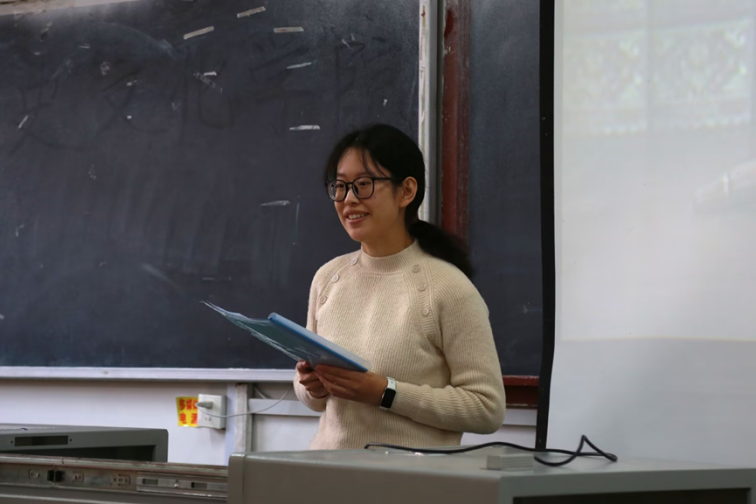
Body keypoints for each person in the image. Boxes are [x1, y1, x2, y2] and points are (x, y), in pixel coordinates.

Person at [293, 124, 506, 450]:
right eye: (340, 186)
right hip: (327, 471)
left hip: (409, 477)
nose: (348, 199)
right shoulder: (328, 278)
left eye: (363, 184)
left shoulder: (448, 288)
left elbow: (486, 408)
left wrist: (385, 393)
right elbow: (313, 400)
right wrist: (313, 386)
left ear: (406, 191)